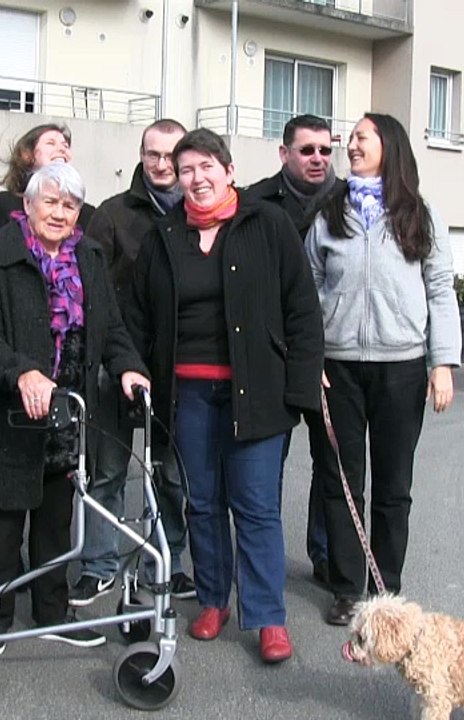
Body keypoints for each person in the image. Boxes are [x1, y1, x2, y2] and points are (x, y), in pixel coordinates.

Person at [128, 128, 324, 664]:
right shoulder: (162, 236)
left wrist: (301, 388)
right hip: (186, 394)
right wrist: (131, 369)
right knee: (202, 503)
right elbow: (136, 316)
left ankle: (267, 618)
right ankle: (213, 600)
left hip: (256, 392)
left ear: (229, 172)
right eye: (186, 169)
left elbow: (303, 310)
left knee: (257, 508)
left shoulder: (268, 225)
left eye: (206, 167)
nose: (196, 178)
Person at [0, 162, 150, 649]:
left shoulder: (89, 256)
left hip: (68, 415)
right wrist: (21, 371)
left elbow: (112, 327)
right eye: (51, 202)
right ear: (28, 203)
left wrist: (127, 364)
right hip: (10, 417)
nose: (60, 213)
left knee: (55, 525)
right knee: (2, 531)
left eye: (70, 205)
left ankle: (53, 614)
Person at [305, 113, 461, 627]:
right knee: (341, 482)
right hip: (338, 369)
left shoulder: (419, 214)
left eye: (361, 138)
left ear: (389, 147)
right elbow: (306, 291)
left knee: (394, 486)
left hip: (403, 368)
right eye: (349, 139)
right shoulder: (330, 212)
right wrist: (310, 358)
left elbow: (440, 290)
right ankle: (348, 588)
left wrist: (442, 363)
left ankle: (385, 587)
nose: (350, 145)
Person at [70, 118, 194, 608]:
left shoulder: (199, 215)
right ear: (140, 156)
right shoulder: (112, 214)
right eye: (152, 154)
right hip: (115, 365)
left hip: (176, 370)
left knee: (169, 475)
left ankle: (165, 563)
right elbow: (91, 291)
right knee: (108, 471)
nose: (161, 164)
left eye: (171, 155)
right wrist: (114, 358)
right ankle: (98, 565)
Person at [243, 114, 345, 588]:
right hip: (272, 357)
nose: (318, 159)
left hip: (334, 360)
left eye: (326, 150)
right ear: (284, 154)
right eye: (307, 150)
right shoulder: (255, 202)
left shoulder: (350, 201)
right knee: (267, 466)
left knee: (331, 464)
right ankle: (266, 563)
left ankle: (326, 556)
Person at [0, 123, 96, 251]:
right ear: (27, 155)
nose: (62, 149)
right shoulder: (3, 204)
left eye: (66, 146)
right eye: (50, 143)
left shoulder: (87, 214)